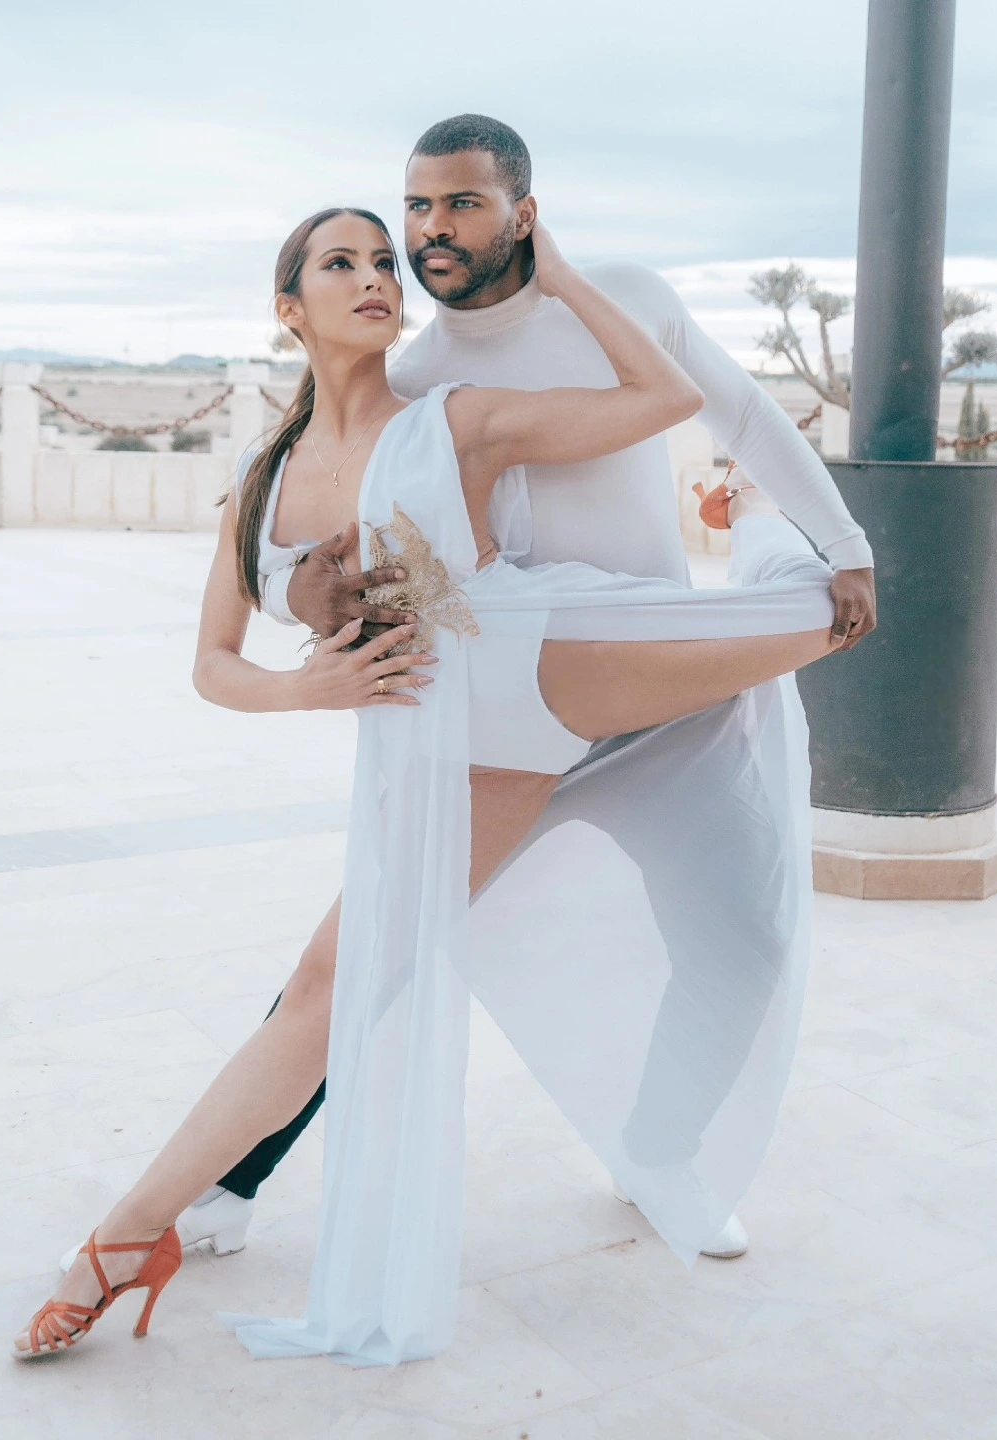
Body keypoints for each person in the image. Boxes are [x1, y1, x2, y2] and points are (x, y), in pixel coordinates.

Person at [14, 200, 843, 1365]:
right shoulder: (265, 475)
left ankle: (751, 520)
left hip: (555, 655)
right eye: (340, 262)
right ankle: (133, 1235)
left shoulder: (451, 414)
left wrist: (563, 274)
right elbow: (213, 662)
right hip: (465, 743)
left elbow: (666, 399)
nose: (374, 276)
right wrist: (308, 685)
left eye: (381, 261)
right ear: (288, 309)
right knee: (333, 982)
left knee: (817, 615)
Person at [176, 114, 876, 1265]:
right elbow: (318, 539)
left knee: (743, 943)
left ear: (524, 211)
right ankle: (229, 1178)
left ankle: (657, 1155)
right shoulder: (416, 381)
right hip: (499, 719)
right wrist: (306, 599)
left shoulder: (628, 301)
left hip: (654, 700)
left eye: (461, 203)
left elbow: (740, 414)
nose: (431, 229)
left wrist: (841, 543)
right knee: (372, 950)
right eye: (417, 205)